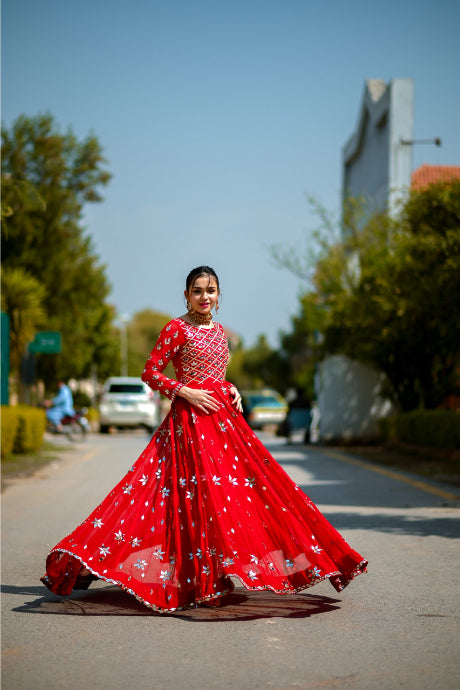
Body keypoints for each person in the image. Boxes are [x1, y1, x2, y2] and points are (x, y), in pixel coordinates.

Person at [41, 266, 367, 611]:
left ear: (219, 294)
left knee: (241, 492)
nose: (204, 297)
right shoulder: (176, 328)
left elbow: (217, 374)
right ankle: (198, 578)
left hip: (225, 424)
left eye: (210, 290)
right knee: (189, 496)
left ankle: (215, 574)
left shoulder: (219, 330)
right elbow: (150, 372)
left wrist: (231, 388)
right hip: (189, 423)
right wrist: (185, 392)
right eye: (197, 291)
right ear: (186, 295)